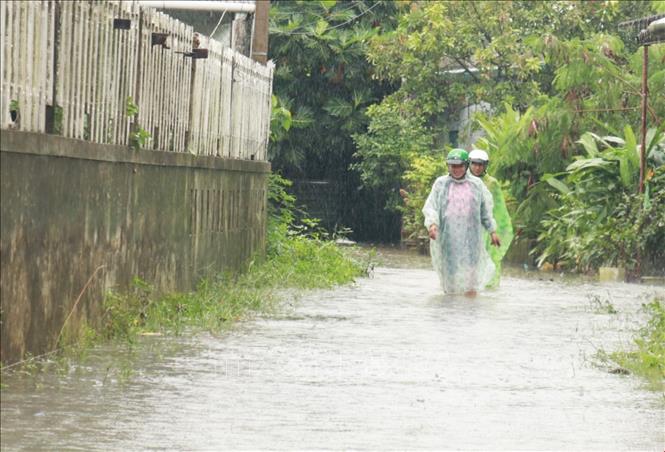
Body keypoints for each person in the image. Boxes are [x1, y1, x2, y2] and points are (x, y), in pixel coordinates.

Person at [422, 149, 500, 296]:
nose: (456, 169)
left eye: (459, 166)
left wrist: (492, 231)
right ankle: (450, 306)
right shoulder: (441, 184)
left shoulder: (476, 185)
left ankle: (470, 310)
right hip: (448, 237)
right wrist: (432, 224)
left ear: (465, 166)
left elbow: (485, 210)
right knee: (450, 273)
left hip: (471, 238)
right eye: (452, 166)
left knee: (471, 273)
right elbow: (431, 206)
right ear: (448, 167)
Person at [468, 149, 514, 288]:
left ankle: (487, 289)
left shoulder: (491, 183)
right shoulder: (462, 181)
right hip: (466, 227)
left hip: (485, 229)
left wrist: (494, 230)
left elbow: (499, 209)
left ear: (485, 165)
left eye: (481, 164)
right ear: (469, 164)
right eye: (474, 164)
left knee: (488, 258)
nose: (477, 167)